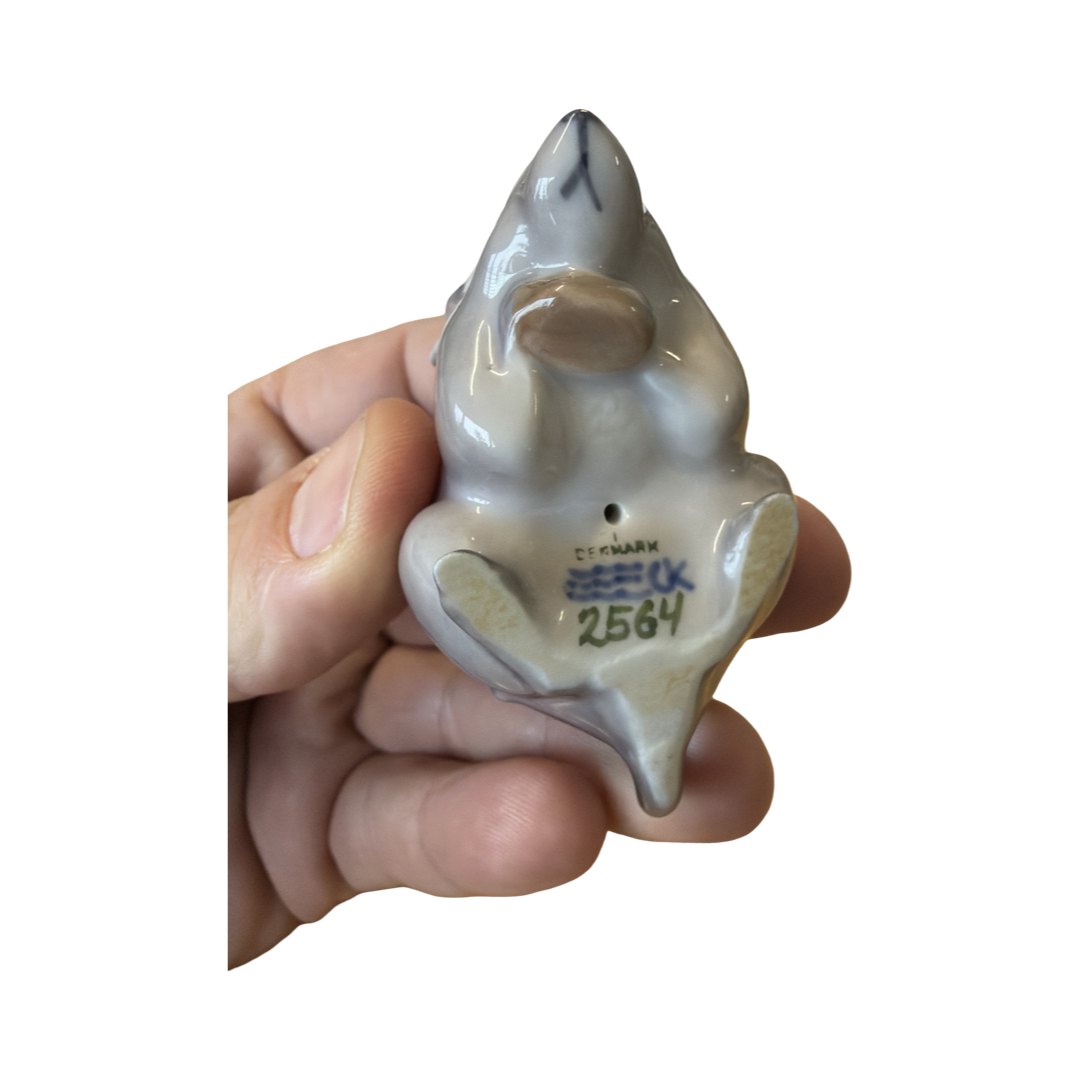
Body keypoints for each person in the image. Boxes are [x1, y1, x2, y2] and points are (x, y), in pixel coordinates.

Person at [228, 317, 851, 968]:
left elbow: (711, 413)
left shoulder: (670, 318)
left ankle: (685, 654)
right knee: (435, 547)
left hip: (674, 543)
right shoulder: (489, 327)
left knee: (757, 488)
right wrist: (517, 340)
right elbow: (494, 448)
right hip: (529, 549)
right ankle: (557, 663)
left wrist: (642, 347)